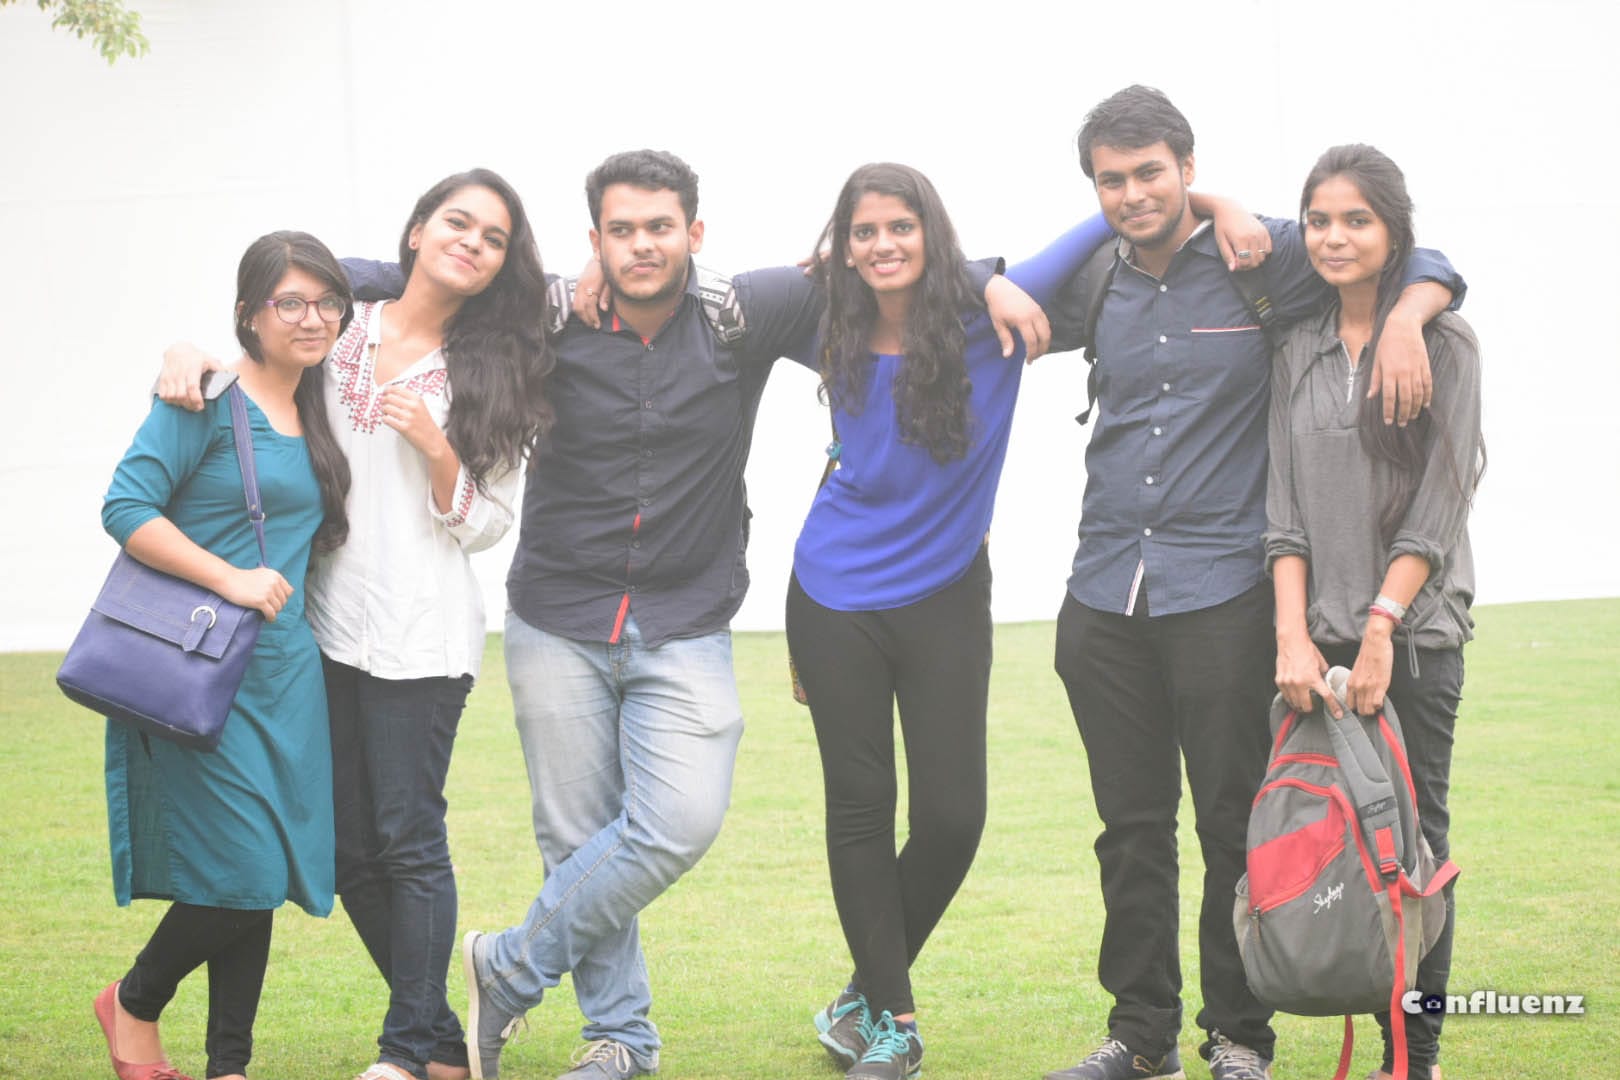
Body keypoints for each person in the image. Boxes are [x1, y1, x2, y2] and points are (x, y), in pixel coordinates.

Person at [1042, 87, 1466, 1080]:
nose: (1133, 193)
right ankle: (1140, 1037)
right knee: (1129, 833)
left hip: (1222, 594)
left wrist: (1410, 317)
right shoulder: (1094, 277)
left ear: (1189, 169)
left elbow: (1414, 254)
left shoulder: (1262, 256)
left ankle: (1238, 1037)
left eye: (1152, 172)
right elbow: (981, 298)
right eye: (1111, 179)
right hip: (1104, 591)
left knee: (1234, 824)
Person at [159, 168, 554, 1080]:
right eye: (458, 222)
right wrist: (187, 352)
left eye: (494, 238)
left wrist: (437, 446)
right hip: (322, 628)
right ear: (417, 231)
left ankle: (405, 1051)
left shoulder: (496, 371)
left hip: (422, 638)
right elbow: (260, 363)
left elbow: (488, 526)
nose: (472, 243)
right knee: (343, 850)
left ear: (502, 264)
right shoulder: (338, 331)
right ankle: (443, 1046)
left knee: (409, 838)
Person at [784, 163, 1114, 1080]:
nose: (882, 244)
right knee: (860, 807)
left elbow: (1104, 221)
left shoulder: (989, 319)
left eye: (901, 226)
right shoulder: (826, 319)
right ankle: (894, 1022)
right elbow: (719, 290)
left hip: (946, 597)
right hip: (832, 594)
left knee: (953, 817)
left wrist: (1218, 205)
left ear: (931, 231)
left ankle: (858, 994)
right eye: (863, 231)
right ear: (843, 243)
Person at [94, 231, 352, 1080]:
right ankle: (134, 1001)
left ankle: (228, 1066)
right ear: (248, 314)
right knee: (243, 868)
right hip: (200, 670)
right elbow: (126, 506)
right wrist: (230, 579)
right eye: (290, 302)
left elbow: (412, 276)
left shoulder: (321, 404)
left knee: (262, 872)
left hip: (285, 677)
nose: (312, 318)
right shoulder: (202, 397)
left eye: (327, 302)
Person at [1267, 144, 1481, 1080]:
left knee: (1416, 848)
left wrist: (1384, 625)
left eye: (1356, 219)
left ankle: (1414, 1055)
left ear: (1394, 230)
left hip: (1415, 639)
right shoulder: (1294, 349)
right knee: (1331, 841)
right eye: (1319, 220)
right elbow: (1283, 516)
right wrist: (1292, 639)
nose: (1334, 237)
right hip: (1316, 649)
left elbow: (1442, 503)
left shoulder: (1447, 344)